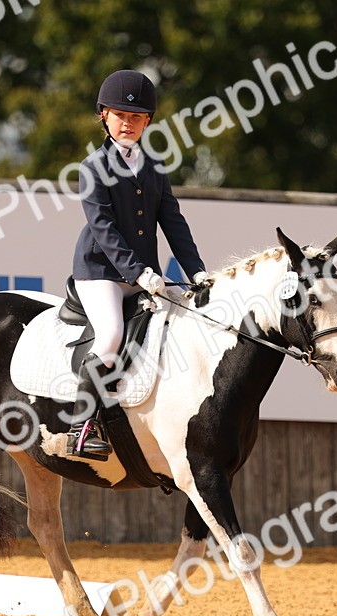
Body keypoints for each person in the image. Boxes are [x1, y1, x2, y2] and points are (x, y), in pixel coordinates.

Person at [67, 69, 210, 460]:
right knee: (111, 334)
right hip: (101, 273)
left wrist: (195, 270)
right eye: (120, 116)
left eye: (136, 117)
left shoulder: (154, 166)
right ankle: (82, 425)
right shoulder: (93, 167)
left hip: (146, 275)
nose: (127, 123)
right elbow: (104, 228)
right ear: (104, 116)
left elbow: (173, 222)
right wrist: (138, 272)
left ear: (147, 122)